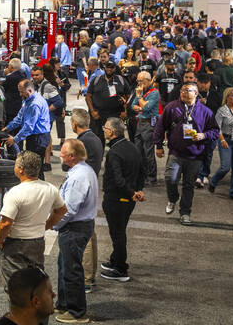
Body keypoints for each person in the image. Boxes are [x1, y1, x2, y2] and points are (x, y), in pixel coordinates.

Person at [0, 152, 67, 284]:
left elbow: (5, 223)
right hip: (38, 243)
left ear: (21, 169)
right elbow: (61, 210)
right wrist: (45, 226)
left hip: (16, 244)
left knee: (16, 285)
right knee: (35, 282)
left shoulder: (15, 193)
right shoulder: (50, 189)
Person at [155, 82, 219, 224]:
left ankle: (185, 213)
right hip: (176, 153)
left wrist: (204, 135)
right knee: (170, 179)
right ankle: (172, 199)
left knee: (188, 185)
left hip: (195, 155)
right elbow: (160, 126)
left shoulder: (205, 111)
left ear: (196, 93)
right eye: (182, 90)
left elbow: (215, 131)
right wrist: (158, 145)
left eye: (187, 90)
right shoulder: (172, 107)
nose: (183, 93)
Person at [53, 139, 98, 324]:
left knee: (71, 270)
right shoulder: (82, 171)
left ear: (71, 156)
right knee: (64, 265)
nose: (60, 155)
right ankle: (64, 304)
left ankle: (77, 312)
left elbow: (69, 209)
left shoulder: (79, 177)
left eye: (63, 153)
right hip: (76, 227)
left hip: (74, 228)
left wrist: (52, 225)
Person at [99, 118, 145, 283]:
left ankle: (120, 269)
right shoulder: (132, 147)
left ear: (111, 132)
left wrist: (132, 192)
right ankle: (114, 259)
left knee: (117, 234)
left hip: (116, 199)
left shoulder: (114, 152)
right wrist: (138, 191)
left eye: (105, 128)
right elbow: (142, 171)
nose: (103, 130)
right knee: (119, 231)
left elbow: (118, 180)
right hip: (129, 200)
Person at [209, 87, 233, 200]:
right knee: (225, 167)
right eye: (232, 96)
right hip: (226, 139)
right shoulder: (222, 110)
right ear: (227, 97)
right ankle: (214, 181)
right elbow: (217, 128)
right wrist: (222, 140)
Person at [5, 79, 51, 160]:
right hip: (34, 136)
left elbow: (29, 127)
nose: (20, 94)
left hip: (39, 138)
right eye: (19, 91)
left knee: (34, 166)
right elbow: (20, 118)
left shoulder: (34, 104)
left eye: (22, 92)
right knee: (31, 164)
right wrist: (8, 128)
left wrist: (15, 139)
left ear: (29, 90)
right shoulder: (27, 100)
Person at [130, 72, 161, 186]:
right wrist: (139, 105)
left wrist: (139, 99)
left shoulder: (154, 93)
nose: (139, 83)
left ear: (149, 81)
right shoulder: (140, 90)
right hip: (140, 122)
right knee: (138, 150)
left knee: (148, 152)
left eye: (141, 81)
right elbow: (133, 106)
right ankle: (141, 175)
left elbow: (146, 107)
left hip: (149, 124)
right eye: (138, 81)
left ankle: (152, 177)